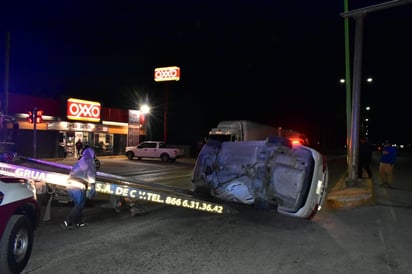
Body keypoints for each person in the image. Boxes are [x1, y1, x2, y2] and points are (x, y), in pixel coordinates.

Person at [62, 147, 97, 229]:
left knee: (79, 204)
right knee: (79, 205)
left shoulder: (80, 161)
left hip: (70, 184)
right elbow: (91, 174)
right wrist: (92, 186)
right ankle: (67, 222)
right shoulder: (89, 162)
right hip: (78, 185)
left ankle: (78, 222)